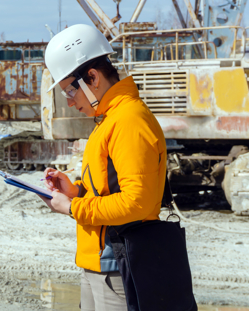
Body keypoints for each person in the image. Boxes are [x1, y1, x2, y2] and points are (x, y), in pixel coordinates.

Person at [39, 24, 167, 311]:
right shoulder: (108, 119)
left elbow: (137, 202)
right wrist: (75, 191)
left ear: (92, 78)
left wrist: (73, 208)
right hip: (99, 261)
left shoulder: (128, 120)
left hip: (119, 264)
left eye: (69, 93)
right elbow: (109, 187)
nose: (71, 103)